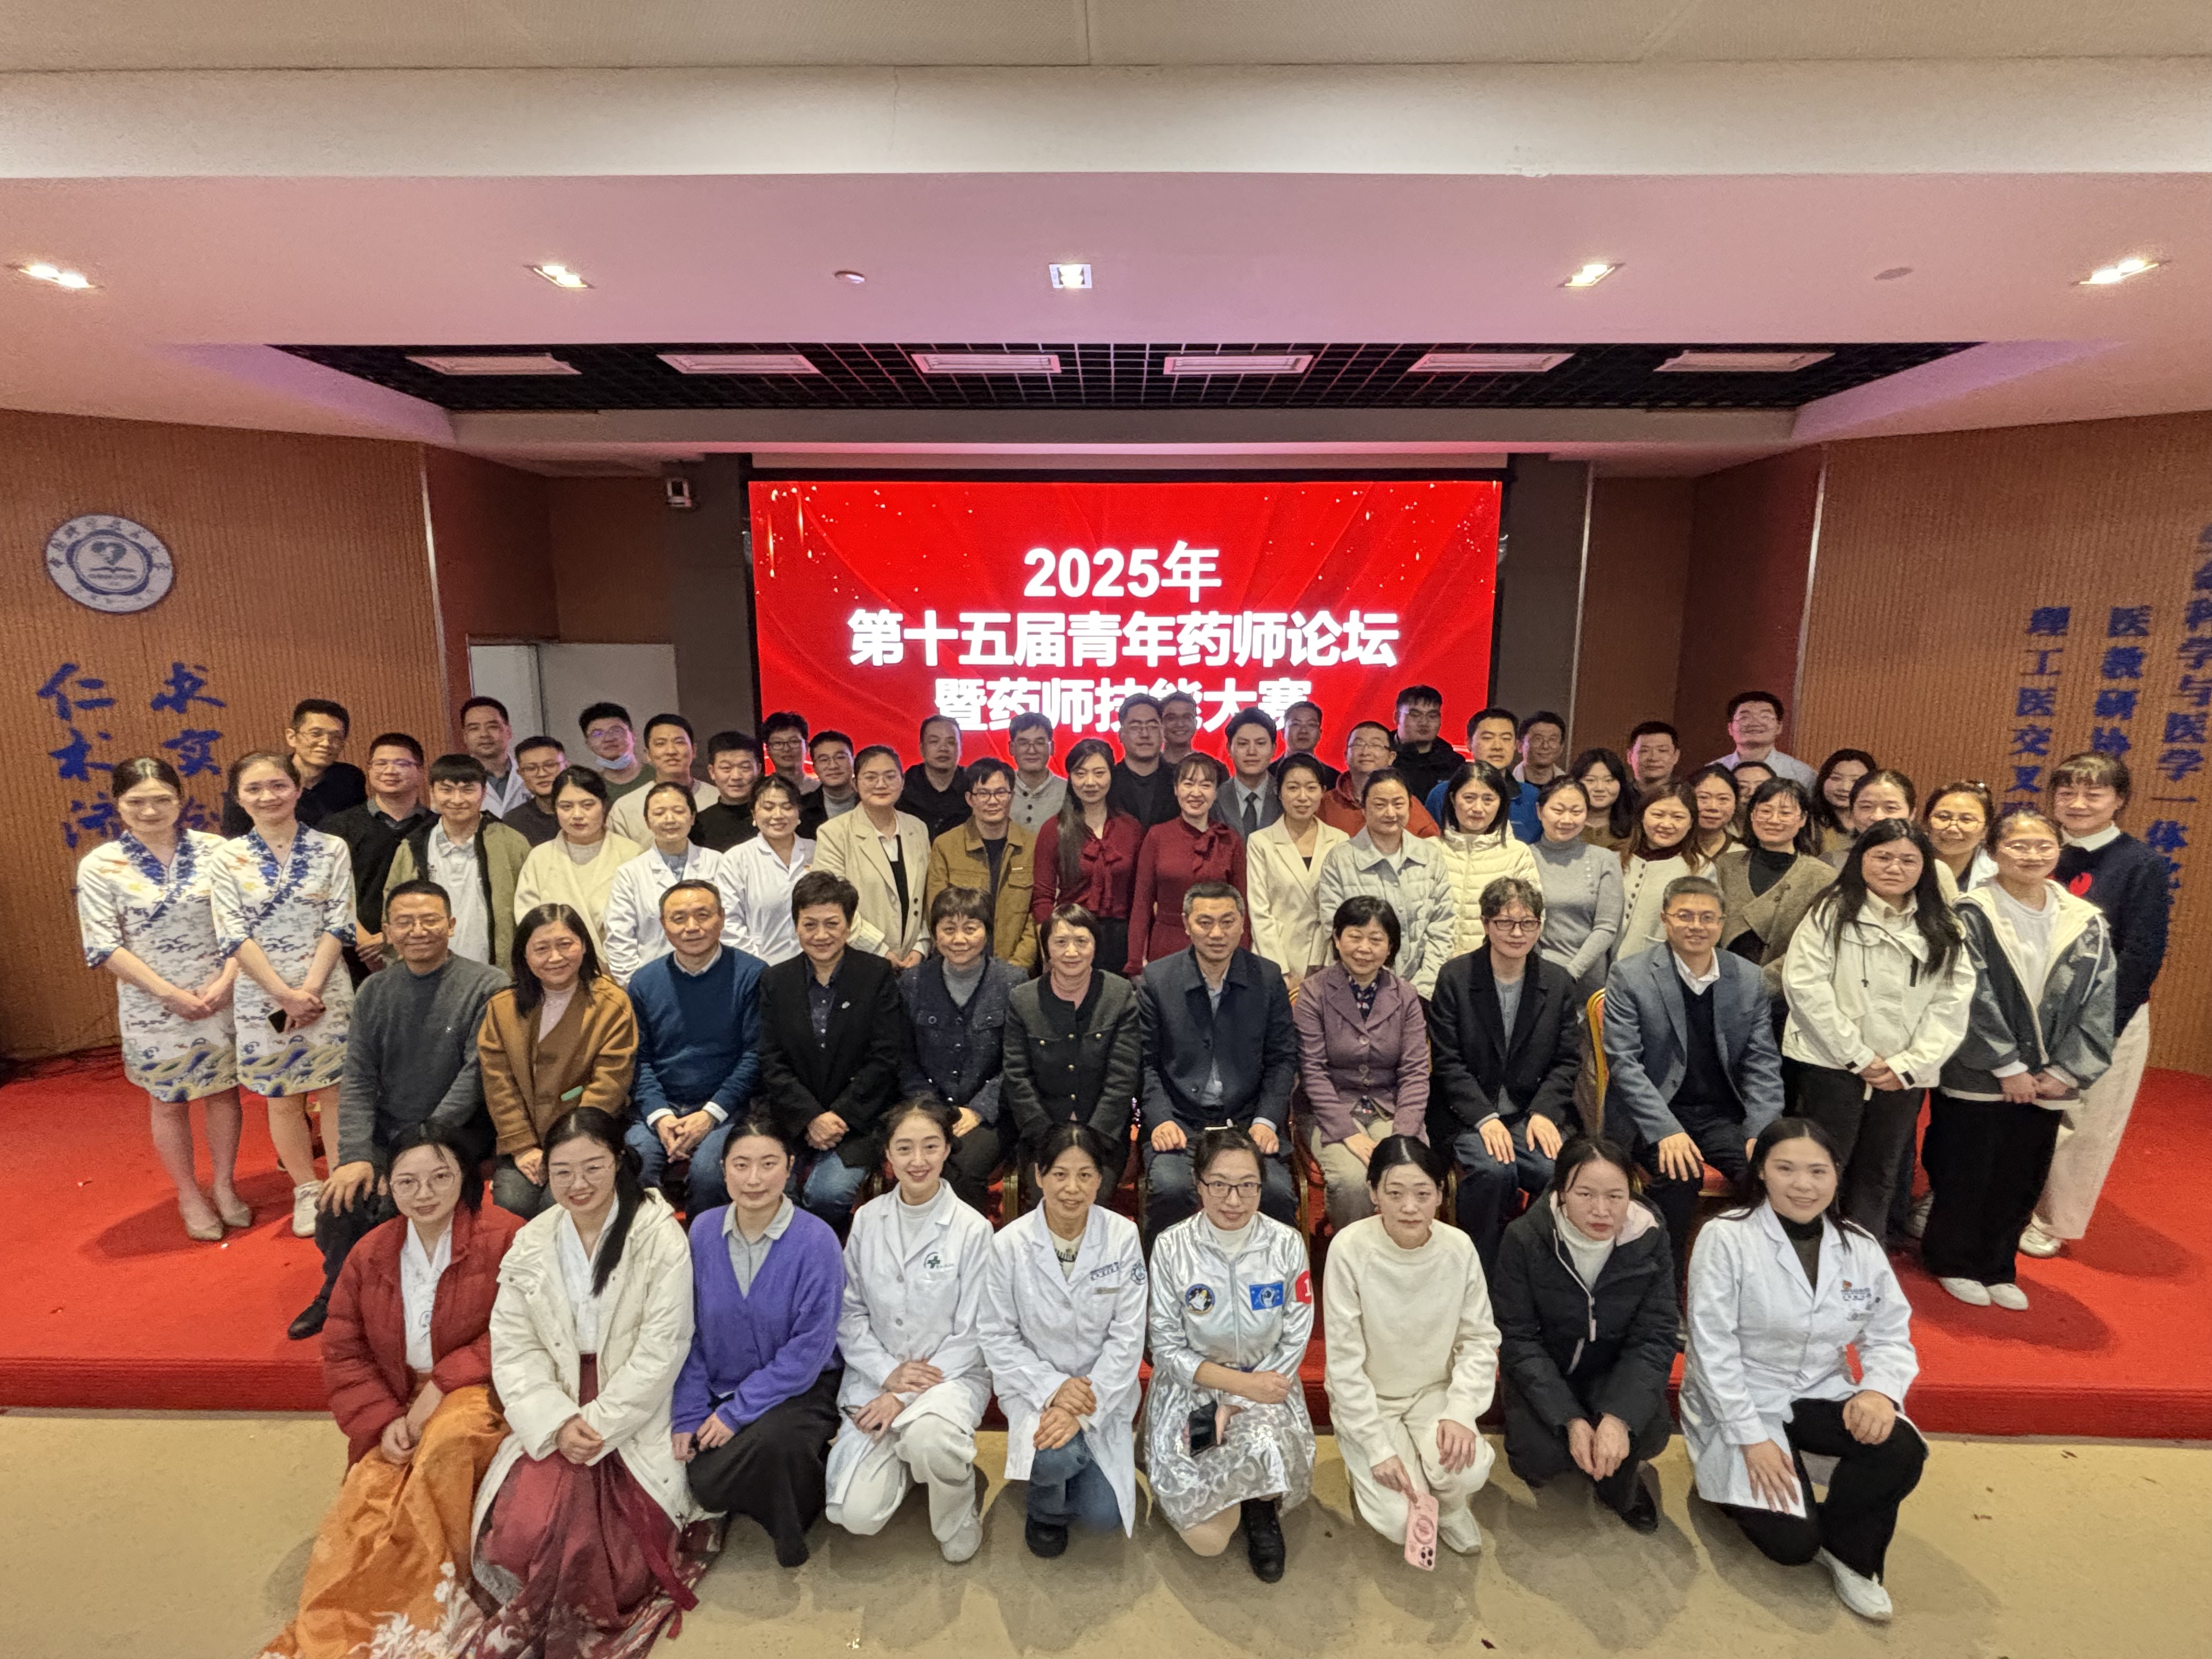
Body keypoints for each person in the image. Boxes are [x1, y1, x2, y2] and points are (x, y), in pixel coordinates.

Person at [260, 1123, 524, 1659]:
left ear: (466, 1177)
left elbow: (520, 1328)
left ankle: (423, 1610)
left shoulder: (507, 1236)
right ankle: (358, 1622)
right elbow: (344, 1349)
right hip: (396, 1399)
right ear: (388, 1186)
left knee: (445, 1450)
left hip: (480, 1390)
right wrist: (382, 1419)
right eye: (408, 1182)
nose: (424, 1194)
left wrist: (443, 1384)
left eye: (440, 1178)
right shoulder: (370, 1253)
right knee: (369, 1500)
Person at [469, 1107, 711, 1648]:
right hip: (557, 1394)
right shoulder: (533, 1240)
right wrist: (555, 1421)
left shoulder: (657, 1235)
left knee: (611, 1557)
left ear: (619, 1161)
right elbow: (514, 1345)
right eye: (563, 1172)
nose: (578, 1184)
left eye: (593, 1168)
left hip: (630, 1400)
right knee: (523, 1532)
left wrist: (601, 1422)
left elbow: (664, 1347)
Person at [1679, 1119, 1925, 1622]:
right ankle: (1733, 1483)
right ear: (1761, 1172)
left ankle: (1852, 1553)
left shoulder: (1859, 1245)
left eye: (1818, 1171)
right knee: (1792, 1546)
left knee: (1900, 1447)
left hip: (1820, 1388)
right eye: (1786, 1169)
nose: (1803, 1185)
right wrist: (1752, 1439)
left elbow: (1888, 1332)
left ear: (1837, 1174)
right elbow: (1711, 1349)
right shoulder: (1727, 1238)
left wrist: (1878, 1392)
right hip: (1745, 1397)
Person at [290, 878, 507, 1338]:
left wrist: (416, 1153)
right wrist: (353, 1156)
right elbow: (359, 1079)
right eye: (405, 922)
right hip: (390, 1130)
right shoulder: (374, 991)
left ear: (451, 924)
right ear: (387, 932)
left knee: (400, 1198)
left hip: (458, 1131)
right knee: (340, 1202)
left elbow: (475, 1077)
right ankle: (338, 1292)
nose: (418, 931)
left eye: (430, 920)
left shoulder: (487, 985)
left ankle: (399, 1301)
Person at [1925, 808, 2115, 1306]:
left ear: (2059, 851)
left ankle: (1998, 1265)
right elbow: (1970, 993)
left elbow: (2099, 1000)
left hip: (2049, 1077)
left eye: (2043, 846)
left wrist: (2065, 1069)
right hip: (1981, 1071)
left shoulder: (2085, 919)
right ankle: (1952, 1260)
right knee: (1967, 1167)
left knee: (2022, 1173)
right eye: (2018, 845)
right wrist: (2007, 1066)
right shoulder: (1970, 912)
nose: (2032, 855)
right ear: (1993, 852)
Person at [78, 755, 244, 1240]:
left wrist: (227, 980)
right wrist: (168, 994)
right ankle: (189, 1193)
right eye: (137, 802)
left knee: (223, 1091)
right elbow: (103, 945)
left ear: (180, 800)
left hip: (219, 993)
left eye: (162, 800)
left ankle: (226, 1185)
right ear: (118, 804)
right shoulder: (101, 865)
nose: (150, 811)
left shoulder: (216, 851)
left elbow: (243, 923)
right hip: (152, 1003)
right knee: (169, 1099)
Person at [1781, 819, 1973, 1237]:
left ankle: (1865, 1253)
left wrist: (1910, 1064)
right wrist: (1859, 1057)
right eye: (1882, 857)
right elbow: (1805, 986)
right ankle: (1805, 1250)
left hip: (1902, 1074)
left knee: (1880, 1169)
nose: (1894, 868)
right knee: (1819, 1166)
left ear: (1925, 867)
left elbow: (1952, 1002)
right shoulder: (1830, 912)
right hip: (1832, 1065)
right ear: (1861, 859)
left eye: (1908, 860)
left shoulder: (1944, 924)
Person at [825, 1099, 995, 1562]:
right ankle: (909, 1461)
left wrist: (902, 1395)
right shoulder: (867, 1219)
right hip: (877, 1377)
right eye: (904, 1148)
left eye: (930, 1146)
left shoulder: (972, 1229)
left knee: (929, 1439)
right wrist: (886, 1374)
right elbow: (850, 1313)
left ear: (948, 1150)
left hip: (949, 1376)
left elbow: (975, 1331)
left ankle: (956, 1508)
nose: (918, 1161)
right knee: (856, 1516)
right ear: (888, 1154)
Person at [673, 1113, 845, 1567]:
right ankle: (792, 1483)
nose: (754, 1179)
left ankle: (790, 1526)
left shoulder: (817, 1240)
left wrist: (736, 1412)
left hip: (802, 1386)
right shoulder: (703, 1232)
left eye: (768, 1164)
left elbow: (810, 1348)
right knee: (704, 1478)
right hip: (722, 1383)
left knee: (777, 1443)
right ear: (723, 1169)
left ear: (789, 1168)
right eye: (741, 1165)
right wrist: (689, 1410)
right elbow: (688, 1332)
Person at [1144, 1127, 1316, 1581]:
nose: (1234, 1200)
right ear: (1198, 1184)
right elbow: (1166, 1347)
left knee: (1262, 1445)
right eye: (1219, 1185)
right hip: (1194, 1389)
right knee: (1209, 1541)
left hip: (1268, 1384)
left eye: (1247, 1185)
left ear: (1262, 1185)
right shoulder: (1171, 1247)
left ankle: (1261, 1506)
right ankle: (1231, 1491)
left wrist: (1245, 1397)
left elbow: (1296, 1335)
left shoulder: (1286, 1243)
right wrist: (1232, 1390)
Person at [1322, 1135, 1499, 1559]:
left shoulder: (1458, 1248)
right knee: (1399, 1520)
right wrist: (1376, 1448)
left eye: (1422, 1194)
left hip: (1433, 1393)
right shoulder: (1349, 1248)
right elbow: (1344, 1362)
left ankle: (1451, 1507)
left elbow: (1478, 1338)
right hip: (1373, 1398)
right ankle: (1363, 1460)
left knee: (1468, 1469)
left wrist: (1460, 1412)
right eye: (1395, 1193)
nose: (1409, 1207)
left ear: (1440, 1193)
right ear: (1373, 1193)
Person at [978, 1125, 1150, 1556]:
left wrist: (1080, 1407)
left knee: (1102, 1517)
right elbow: (997, 1335)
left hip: (1100, 1392)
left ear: (1101, 1180)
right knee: (1056, 1457)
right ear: (1038, 1176)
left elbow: (1128, 1335)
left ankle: (1075, 1456)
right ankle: (1045, 1509)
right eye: (1059, 1174)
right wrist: (1054, 1389)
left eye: (1085, 1175)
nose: (1072, 1189)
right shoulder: (1009, 1245)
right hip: (1033, 1388)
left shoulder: (1122, 1236)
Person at [2025, 752, 2170, 1259]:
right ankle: (2011, 1201)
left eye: (2094, 793)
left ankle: (2053, 1220)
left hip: (2107, 1011)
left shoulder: (2141, 865)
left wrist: (2102, 1025)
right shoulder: (2039, 852)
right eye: (2067, 793)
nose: (2078, 803)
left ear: (2119, 800)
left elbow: (2142, 954)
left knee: (2085, 1120)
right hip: (2038, 1007)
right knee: (2026, 1110)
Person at [1492, 1134, 1675, 1533]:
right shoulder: (1525, 1238)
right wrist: (1571, 1420)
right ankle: (1581, 1442)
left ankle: (1618, 1476)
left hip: (1610, 1368)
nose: (1601, 1210)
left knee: (1649, 1429)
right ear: (1561, 1192)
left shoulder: (1650, 1236)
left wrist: (1618, 1418)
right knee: (1539, 1459)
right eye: (1585, 1194)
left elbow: (1655, 1336)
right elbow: (1518, 1338)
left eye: (1615, 1196)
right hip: (1548, 1366)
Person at [210, 751, 358, 1238]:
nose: (267, 796)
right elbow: (232, 933)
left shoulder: (331, 848)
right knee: (283, 1095)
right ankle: (306, 1189)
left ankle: (342, 1184)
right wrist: (283, 994)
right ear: (238, 798)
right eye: (253, 789)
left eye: (277, 785)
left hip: (326, 988)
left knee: (335, 1091)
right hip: (263, 995)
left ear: (297, 789)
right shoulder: (225, 858)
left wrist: (309, 989)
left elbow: (339, 922)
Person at [1602, 876, 1785, 1261]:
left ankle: (1744, 1277)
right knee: (1680, 1176)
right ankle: (1665, 1285)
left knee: (1769, 1174)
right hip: (1655, 1114)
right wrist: (1665, 1130)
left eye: (1707, 917)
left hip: (1721, 1116)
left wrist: (1760, 1130)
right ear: (1665, 920)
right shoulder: (1630, 975)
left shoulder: (1748, 978)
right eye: (1684, 916)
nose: (1696, 926)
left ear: (1722, 923)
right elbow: (1625, 1064)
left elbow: (1762, 1063)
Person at [1426, 877, 1580, 1271]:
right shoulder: (1456, 977)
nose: (1517, 933)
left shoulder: (1558, 982)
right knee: (1494, 1171)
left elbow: (1566, 1061)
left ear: (1540, 926)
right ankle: (1481, 1271)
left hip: (1531, 1113)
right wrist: (1484, 1117)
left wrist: (1544, 1112)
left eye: (1528, 923)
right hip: (1468, 1115)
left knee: (1555, 1171)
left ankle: (1533, 1268)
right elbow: (1448, 1062)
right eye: (1505, 922)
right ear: (1485, 923)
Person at [1137, 881, 1299, 1241]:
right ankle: (1163, 1276)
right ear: (1186, 924)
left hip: (1247, 1122)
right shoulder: (1157, 980)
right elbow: (1145, 1063)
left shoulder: (1268, 978)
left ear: (1243, 924)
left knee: (1273, 1193)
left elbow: (1283, 1059)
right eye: (1205, 922)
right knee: (1171, 1189)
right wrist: (1161, 1119)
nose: (1216, 934)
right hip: (1181, 1122)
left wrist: (1266, 1121)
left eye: (1227, 922)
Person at [759, 871, 907, 1228]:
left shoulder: (876, 974)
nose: (821, 935)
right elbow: (770, 1059)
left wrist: (838, 1116)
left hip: (857, 1120)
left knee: (827, 1194)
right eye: (810, 924)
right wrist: (811, 1117)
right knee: (773, 1188)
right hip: (794, 1117)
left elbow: (886, 1057)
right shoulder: (775, 981)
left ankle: (828, 1256)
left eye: (832, 923)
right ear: (796, 926)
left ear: (849, 925)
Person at [480, 904, 638, 1218]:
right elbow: (499, 1083)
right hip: (524, 1140)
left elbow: (608, 1084)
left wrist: (568, 1150)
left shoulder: (611, 1003)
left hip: (586, 1138)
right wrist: (523, 1147)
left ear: (584, 946)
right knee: (512, 1204)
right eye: (542, 948)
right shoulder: (502, 1007)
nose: (555, 958)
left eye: (566, 945)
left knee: (561, 1204)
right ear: (525, 954)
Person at [624, 881, 765, 1214]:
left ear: (722, 918)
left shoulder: (753, 975)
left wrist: (709, 1115)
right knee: (633, 1166)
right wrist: (661, 1117)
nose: (691, 927)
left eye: (703, 915)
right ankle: (653, 1241)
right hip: (661, 1106)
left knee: (710, 1176)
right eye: (679, 918)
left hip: (728, 1107)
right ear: (664, 925)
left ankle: (704, 1242)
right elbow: (639, 1061)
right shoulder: (644, 982)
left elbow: (755, 1056)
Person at [1295, 896, 1431, 1229]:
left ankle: (1400, 1253)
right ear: (1337, 938)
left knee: (1407, 1173)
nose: (1364, 948)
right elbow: (1312, 1071)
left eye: (1376, 939)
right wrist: (1347, 1134)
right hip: (1331, 1110)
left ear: (1391, 947)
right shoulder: (1314, 992)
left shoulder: (1406, 995)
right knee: (1353, 1181)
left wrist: (1402, 1136)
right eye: (1355, 936)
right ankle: (1351, 1254)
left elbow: (1415, 1072)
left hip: (1390, 1107)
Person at [900, 888, 1026, 1213]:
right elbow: (903, 1059)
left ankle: (970, 1241)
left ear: (987, 931)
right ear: (935, 934)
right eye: (948, 929)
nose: (959, 939)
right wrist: (932, 1109)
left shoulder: (1012, 982)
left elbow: (1017, 1061)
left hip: (991, 1114)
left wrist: (979, 1110)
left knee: (963, 1165)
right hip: (926, 1107)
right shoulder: (913, 982)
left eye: (970, 928)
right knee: (917, 1159)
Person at [1003, 905, 1143, 1152]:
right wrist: (1044, 1135)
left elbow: (1122, 1077)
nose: (1071, 952)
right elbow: (1017, 1076)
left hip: (1103, 1135)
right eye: (1061, 942)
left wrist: (1096, 1137)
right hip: (1041, 1135)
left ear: (1095, 946)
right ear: (1046, 949)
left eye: (1081, 941)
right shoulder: (1023, 999)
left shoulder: (1119, 994)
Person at [1314, 769, 1457, 997]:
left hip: (1422, 992)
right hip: (1359, 989)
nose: (1390, 813)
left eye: (1398, 804)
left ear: (1410, 806)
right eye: (1380, 805)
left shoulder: (1430, 855)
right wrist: (1380, 990)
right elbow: (1334, 928)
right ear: (1364, 808)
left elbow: (1442, 926)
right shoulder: (1340, 859)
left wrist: (1420, 989)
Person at [383, 754, 532, 971]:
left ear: (483, 793)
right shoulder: (413, 846)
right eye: (447, 790)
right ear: (432, 792)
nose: (457, 800)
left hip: (497, 970)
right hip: (428, 970)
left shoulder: (511, 843)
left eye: (467, 790)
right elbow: (392, 907)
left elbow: (530, 910)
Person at [600, 781, 735, 987]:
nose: (669, 819)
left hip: (719, 977)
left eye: (679, 811)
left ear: (692, 817)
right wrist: (635, 985)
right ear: (647, 821)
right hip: (654, 981)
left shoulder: (718, 863)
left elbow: (732, 922)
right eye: (659, 813)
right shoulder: (630, 874)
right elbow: (619, 938)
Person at [1030, 736, 1143, 975]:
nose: (1090, 782)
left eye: (1099, 773)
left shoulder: (1131, 828)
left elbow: (1140, 898)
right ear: (1070, 778)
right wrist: (1048, 954)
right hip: (1071, 937)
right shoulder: (1054, 829)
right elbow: (1042, 898)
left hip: (1121, 940)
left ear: (1111, 775)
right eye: (1080, 774)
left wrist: (1138, 954)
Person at [321, 733, 432, 976]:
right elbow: (327, 890)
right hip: (355, 955)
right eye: (381, 763)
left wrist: (393, 937)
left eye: (401, 763)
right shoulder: (339, 827)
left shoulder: (437, 828)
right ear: (370, 770)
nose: (390, 771)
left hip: (424, 948)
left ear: (421, 772)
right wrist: (364, 942)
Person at [1714, 778, 1837, 994]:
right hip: (1722, 987)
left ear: (1803, 819)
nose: (1774, 820)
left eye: (1785, 813)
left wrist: (1762, 985)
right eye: (1765, 811)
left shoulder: (1822, 877)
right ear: (1753, 815)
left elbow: (1816, 945)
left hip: (1786, 993)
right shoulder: (1726, 865)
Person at [815, 744, 933, 968]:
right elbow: (831, 903)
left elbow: (930, 892)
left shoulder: (917, 828)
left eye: (890, 776)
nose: (881, 784)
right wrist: (879, 949)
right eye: (871, 777)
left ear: (902, 781)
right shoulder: (834, 833)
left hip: (914, 961)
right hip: (859, 959)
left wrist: (922, 945)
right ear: (855, 784)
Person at [1127, 755, 1248, 974]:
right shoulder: (1157, 836)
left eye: (1206, 785)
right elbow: (1142, 904)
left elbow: (1242, 907)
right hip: (1167, 944)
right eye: (1189, 784)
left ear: (1215, 792)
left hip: (1217, 944)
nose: (1196, 793)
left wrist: (1243, 959)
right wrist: (1136, 960)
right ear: (1176, 789)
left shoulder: (1230, 840)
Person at [1244, 753, 1349, 992]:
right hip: (1276, 958)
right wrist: (1281, 971)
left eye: (1311, 788)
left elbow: (1340, 908)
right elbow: (1259, 912)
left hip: (1326, 961)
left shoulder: (1340, 841)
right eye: (1293, 788)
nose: (1303, 797)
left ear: (1323, 792)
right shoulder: (1261, 842)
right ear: (1278, 792)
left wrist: (1320, 964)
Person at [923, 756, 1039, 969]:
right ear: (969, 798)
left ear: (1012, 796)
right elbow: (936, 913)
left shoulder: (1032, 846)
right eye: (983, 793)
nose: (993, 801)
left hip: (1016, 968)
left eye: (1000, 793)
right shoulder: (946, 845)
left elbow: (1037, 915)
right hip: (960, 966)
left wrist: (1016, 967)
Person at [511, 766, 644, 952]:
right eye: (566, 807)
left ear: (604, 805)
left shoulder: (631, 853)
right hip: (559, 959)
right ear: (555, 809)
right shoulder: (540, 858)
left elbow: (645, 917)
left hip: (623, 958)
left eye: (587, 805)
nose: (577, 815)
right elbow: (528, 918)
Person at [1433, 759, 1542, 961]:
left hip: (1494, 966)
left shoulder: (1517, 853)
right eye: (1469, 798)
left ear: (1501, 803)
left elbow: (1532, 918)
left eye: (1488, 799)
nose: (1478, 808)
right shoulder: (1430, 850)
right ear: (1453, 798)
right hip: (1434, 967)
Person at [1528, 777, 1624, 998]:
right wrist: (1545, 971)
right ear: (1540, 811)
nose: (1567, 819)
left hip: (1588, 980)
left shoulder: (1604, 859)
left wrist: (1571, 972)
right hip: (1537, 976)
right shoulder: (1524, 856)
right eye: (1558, 810)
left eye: (1576, 811)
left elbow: (1607, 927)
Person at [221, 698, 366, 834]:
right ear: (292, 737)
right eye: (316, 734)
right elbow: (234, 834)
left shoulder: (350, 778)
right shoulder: (258, 776)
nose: (326, 743)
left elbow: (357, 829)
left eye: (336, 737)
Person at [719, 774, 816, 965]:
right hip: (762, 966)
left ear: (798, 812)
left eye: (787, 807)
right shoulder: (736, 859)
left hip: (817, 964)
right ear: (754, 814)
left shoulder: (817, 850)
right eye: (768, 807)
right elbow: (729, 922)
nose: (778, 815)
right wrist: (756, 965)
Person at [1616, 781, 1705, 962]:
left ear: (1691, 823)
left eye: (1678, 817)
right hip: (1601, 964)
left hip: (1657, 965)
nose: (1666, 824)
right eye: (1658, 815)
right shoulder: (1614, 857)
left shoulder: (1699, 869)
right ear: (1642, 816)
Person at [606, 714, 716, 847]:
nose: (671, 751)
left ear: (693, 751)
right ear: (648, 754)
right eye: (661, 744)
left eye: (679, 742)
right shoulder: (625, 808)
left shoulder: (717, 798)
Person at [1329, 721, 1440, 838]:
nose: (1366, 752)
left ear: (1391, 757)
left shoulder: (1407, 804)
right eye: (1358, 744)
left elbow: (1431, 844)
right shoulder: (1326, 803)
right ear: (1346, 755)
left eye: (1376, 745)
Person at [1708, 690, 1816, 787]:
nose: (1755, 723)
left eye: (1765, 717)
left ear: (1779, 727)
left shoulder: (1801, 774)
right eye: (1744, 717)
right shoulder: (1711, 772)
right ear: (1731, 728)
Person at [1107, 693, 1178, 828]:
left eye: (1152, 726)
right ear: (1121, 735)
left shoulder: (1180, 780)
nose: (1145, 734)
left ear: (1163, 733)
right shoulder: (1107, 783)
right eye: (1135, 727)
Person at [1825, 768, 1919, 868]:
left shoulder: (1925, 864)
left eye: (1891, 808)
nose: (1877, 817)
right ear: (1852, 812)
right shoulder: (1830, 863)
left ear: (1912, 814)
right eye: (1866, 807)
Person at [1214, 707, 1282, 839]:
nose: (1251, 752)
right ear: (1229, 749)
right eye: (1243, 744)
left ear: (1273, 749)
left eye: (1260, 744)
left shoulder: (1285, 796)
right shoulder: (1214, 797)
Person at [900, 714, 969, 843]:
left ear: (960, 748)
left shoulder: (974, 786)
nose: (943, 749)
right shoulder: (903, 787)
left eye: (951, 742)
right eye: (934, 742)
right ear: (922, 749)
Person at [1390, 684, 1462, 806]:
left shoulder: (1454, 764)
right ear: (1397, 717)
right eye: (1415, 715)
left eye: (1432, 716)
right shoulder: (1380, 756)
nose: (1424, 722)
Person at [1922, 778, 1997, 897]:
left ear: (1986, 830)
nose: (1953, 828)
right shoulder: (1903, 861)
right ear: (1926, 822)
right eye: (1944, 817)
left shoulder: (1998, 874)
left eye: (1966, 819)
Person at [461, 696, 531, 819]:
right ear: (465, 736)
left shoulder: (532, 774)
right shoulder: (455, 781)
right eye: (474, 729)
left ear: (508, 731)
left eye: (492, 727)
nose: (484, 734)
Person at [692, 730, 763, 852]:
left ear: (758, 769)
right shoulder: (699, 825)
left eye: (745, 767)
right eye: (726, 768)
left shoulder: (774, 818)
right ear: (712, 772)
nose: (736, 776)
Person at [501, 735, 568, 848]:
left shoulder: (591, 809)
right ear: (521, 774)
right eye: (531, 768)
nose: (542, 774)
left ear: (566, 766)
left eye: (550, 765)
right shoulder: (514, 822)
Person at [1007, 710, 1068, 832]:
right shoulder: (999, 791)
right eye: (1023, 743)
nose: (1032, 751)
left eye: (1040, 743)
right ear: (1012, 748)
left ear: (1052, 748)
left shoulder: (1070, 792)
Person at [1812, 748, 1878, 856]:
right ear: (1823, 780)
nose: (1845, 788)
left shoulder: (1878, 823)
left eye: (1856, 781)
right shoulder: (1805, 822)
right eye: (1836, 778)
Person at [795, 729, 860, 835]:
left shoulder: (875, 802)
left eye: (840, 757)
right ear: (815, 768)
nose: (833, 766)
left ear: (853, 762)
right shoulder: (801, 809)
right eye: (824, 760)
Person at [1571, 747, 1637, 850]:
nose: (1600, 788)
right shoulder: (1563, 825)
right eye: (1590, 780)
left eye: (1609, 780)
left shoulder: (1635, 827)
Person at [579, 700, 647, 798]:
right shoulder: (590, 789)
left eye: (616, 731)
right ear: (588, 744)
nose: (608, 739)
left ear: (633, 735)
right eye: (597, 734)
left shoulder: (659, 775)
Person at [1273, 702, 1339, 789]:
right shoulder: (1267, 774)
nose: (1304, 731)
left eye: (1311, 725)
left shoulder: (1335, 780)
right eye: (1296, 724)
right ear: (1283, 732)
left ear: (1320, 734)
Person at [1685, 764, 1743, 863]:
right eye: (1703, 797)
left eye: (1723, 799)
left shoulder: (1744, 854)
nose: (1713, 807)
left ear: (1736, 804)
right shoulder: (1670, 848)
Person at [762, 709, 817, 798]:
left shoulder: (822, 791)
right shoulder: (760, 793)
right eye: (778, 743)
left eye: (794, 742)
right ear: (768, 750)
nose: (787, 749)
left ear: (807, 747)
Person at [1515, 710, 1569, 797]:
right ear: (1520, 746)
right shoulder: (1505, 785)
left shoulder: (1570, 788)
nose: (1545, 746)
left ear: (1562, 747)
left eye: (1552, 740)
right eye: (1538, 739)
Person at [1626, 720, 1680, 794]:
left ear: (1676, 756)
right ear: (1630, 756)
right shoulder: (1616, 795)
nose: (1653, 758)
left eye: (1662, 750)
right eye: (1644, 751)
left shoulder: (1688, 796)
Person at [1158, 691, 1202, 768]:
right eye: (1172, 718)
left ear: (1196, 723)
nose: (1180, 724)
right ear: (1160, 723)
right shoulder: (1146, 767)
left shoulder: (1212, 768)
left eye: (1187, 717)